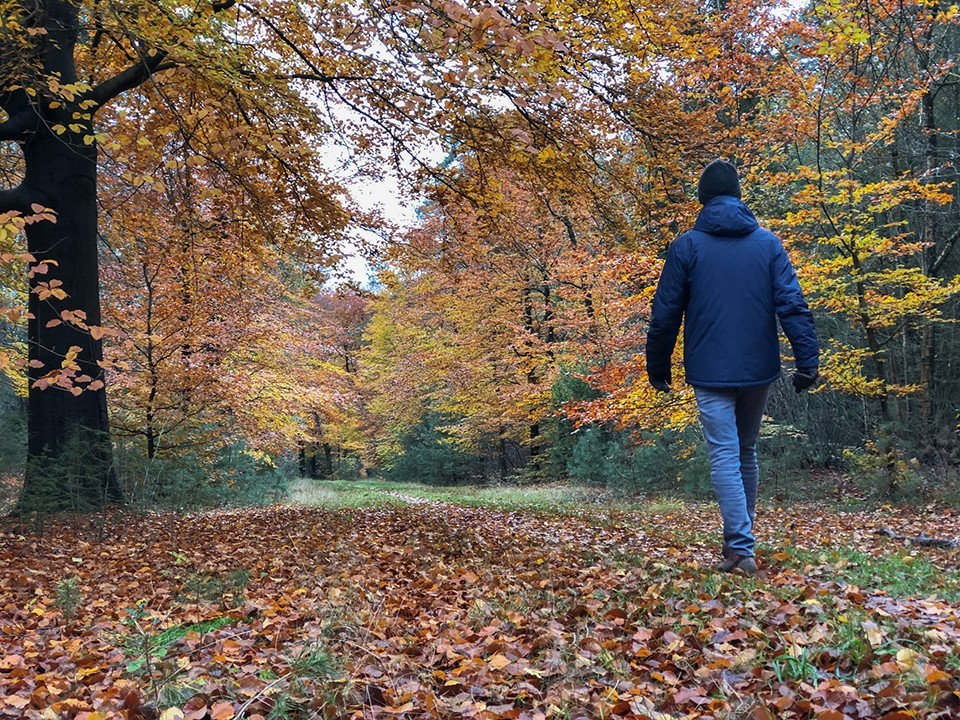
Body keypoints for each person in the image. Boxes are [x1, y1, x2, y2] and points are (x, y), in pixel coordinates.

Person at [645, 159, 819, 577]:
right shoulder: (768, 244)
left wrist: (658, 364)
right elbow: (792, 305)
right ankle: (740, 544)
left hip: (708, 369)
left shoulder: (687, 246)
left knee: (725, 452)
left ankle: (740, 549)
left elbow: (665, 311)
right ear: (738, 195)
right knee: (745, 450)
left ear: (703, 198)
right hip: (758, 366)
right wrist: (807, 361)